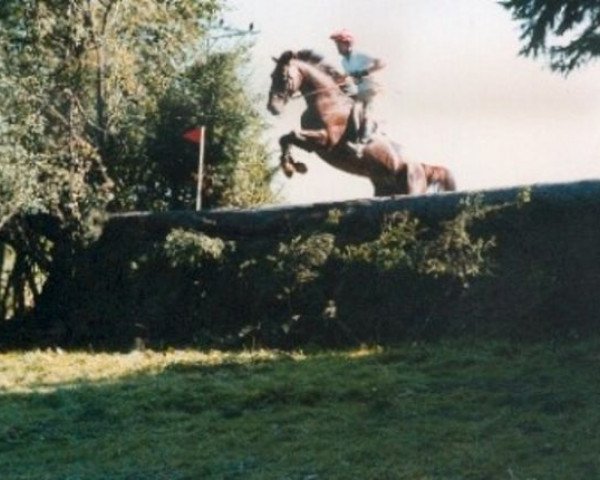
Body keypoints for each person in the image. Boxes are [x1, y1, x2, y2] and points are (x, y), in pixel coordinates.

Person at [330, 29, 385, 155]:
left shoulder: (360, 54)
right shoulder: (344, 62)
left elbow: (382, 63)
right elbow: (346, 78)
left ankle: (362, 144)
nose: (337, 48)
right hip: (361, 91)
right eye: (336, 45)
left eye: (339, 45)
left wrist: (365, 72)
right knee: (352, 110)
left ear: (348, 44)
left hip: (374, 89)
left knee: (363, 112)